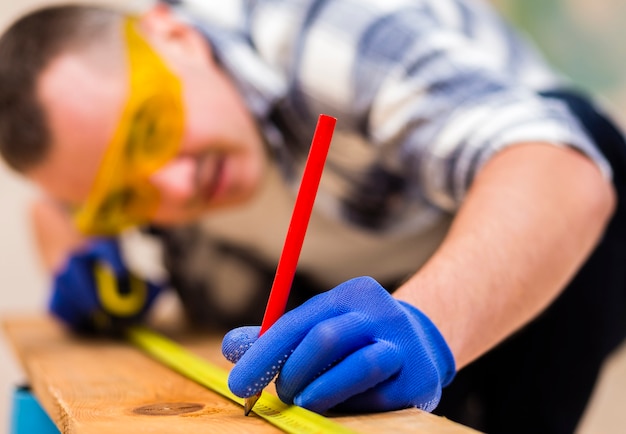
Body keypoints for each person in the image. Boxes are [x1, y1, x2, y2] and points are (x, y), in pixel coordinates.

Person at [1, 1, 625, 432]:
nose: (175, 185)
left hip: (542, 245)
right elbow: (55, 212)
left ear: (176, 34)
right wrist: (80, 257)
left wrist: (426, 324)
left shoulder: (323, 32)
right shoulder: (147, 147)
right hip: (378, 280)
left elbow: (562, 170)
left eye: (148, 131)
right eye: (123, 196)